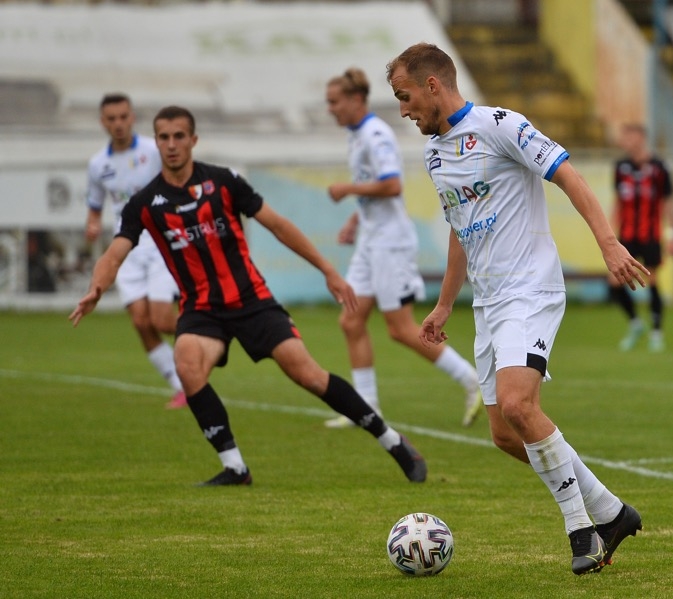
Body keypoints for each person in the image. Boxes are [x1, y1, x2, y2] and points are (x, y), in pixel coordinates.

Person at [386, 43, 646, 576]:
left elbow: (569, 176)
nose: (404, 109)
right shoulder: (436, 154)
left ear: (433, 85)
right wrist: (442, 305)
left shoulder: (502, 125)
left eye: (405, 96)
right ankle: (611, 512)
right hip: (488, 302)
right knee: (505, 434)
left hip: (530, 288)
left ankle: (582, 531)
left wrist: (609, 244)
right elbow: (461, 228)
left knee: (518, 405)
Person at [70, 105, 427, 486]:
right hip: (202, 309)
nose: (171, 145)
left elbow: (278, 225)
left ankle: (392, 442)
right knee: (187, 365)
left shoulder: (224, 183)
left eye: (179, 136)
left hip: (251, 300)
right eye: (163, 137)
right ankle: (235, 468)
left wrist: (327, 270)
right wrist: (97, 287)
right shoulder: (144, 203)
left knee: (308, 375)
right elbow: (115, 252)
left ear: (193, 140)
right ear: (156, 142)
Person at [323, 67, 482, 429]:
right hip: (371, 239)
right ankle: (368, 408)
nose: (330, 109)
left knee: (400, 327)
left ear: (355, 100)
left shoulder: (376, 134)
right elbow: (374, 188)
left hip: (390, 243)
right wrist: (355, 219)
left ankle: (470, 379)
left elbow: (391, 185)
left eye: (334, 102)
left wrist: (348, 190)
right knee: (350, 319)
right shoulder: (356, 135)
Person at [85, 93, 186, 409]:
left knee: (163, 320)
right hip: (125, 244)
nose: (118, 124)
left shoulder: (153, 151)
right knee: (141, 323)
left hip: (159, 241)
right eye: (111, 118)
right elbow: (95, 205)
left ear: (132, 118)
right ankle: (181, 384)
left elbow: (178, 181)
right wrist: (92, 225)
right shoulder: (97, 165)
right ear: (103, 122)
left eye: (123, 117)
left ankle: (206, 333)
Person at [609, 123, 673, 352]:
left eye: (628, 136)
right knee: (615, 281)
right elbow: (617, 201)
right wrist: (610, 235)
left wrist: (672, 233)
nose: (624, 141)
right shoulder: (621, 167)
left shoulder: (659, 167)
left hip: (650, 234)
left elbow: (668, 202)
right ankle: (636, 324)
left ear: (640, 138)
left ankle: (657, 332)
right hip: (626, 234)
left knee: (653, 280)